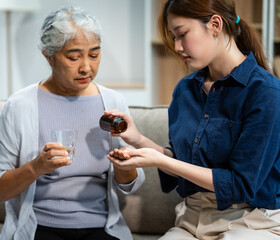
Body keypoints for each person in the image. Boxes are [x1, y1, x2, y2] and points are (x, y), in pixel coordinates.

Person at [106, 0, 280, 239]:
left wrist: (162, 161)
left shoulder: (266, 92)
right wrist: (137, 140)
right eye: (172, 37)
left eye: (182, 34)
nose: (177, 47)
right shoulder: (185, 89)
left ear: (215, 25)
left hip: (251, 221)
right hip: (192, 219)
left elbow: (240, 184)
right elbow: (182, 164)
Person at [0, 6, 145, 240]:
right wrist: (36, 167)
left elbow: (130, 185)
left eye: (94, 55)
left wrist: (125, 166)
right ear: (49, 56)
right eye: (73, 57)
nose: (86, 68)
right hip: (40, 227)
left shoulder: (112, 101)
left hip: (99, 227)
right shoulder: (19, 106)